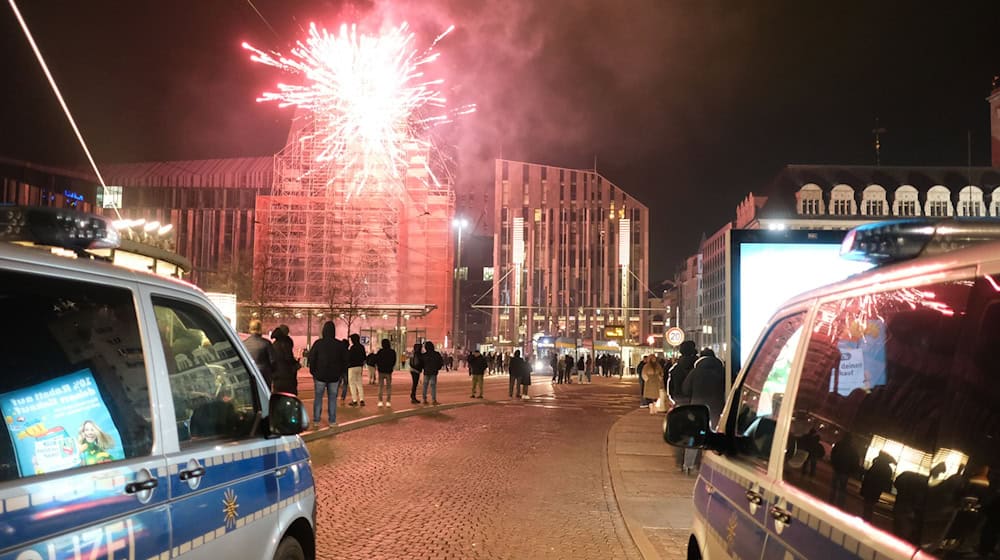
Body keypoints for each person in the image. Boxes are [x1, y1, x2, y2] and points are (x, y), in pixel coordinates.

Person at [681, 348, 726, 474]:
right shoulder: (722, 372)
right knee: (715, 439)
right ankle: (711, 467)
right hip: (717, 409)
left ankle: (688, 465)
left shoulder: (695, 372)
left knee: (694, 437)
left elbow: (685, 389)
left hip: (698, 409)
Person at [307, 321, 347, 429]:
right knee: (333, 398)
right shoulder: (339, 345)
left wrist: (313, 372)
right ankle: (332, 420)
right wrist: (340, 373)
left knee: (318, 398)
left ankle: (316, 420)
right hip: (334, 377)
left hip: (320, 375)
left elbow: (312, 358)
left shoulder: (318, 343)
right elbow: (344, 361)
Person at [861, 452, 896, 521]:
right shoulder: (887, 468)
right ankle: (867, 519)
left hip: (870, 487)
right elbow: (886, 480)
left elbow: (869, 476)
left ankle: (866, 518)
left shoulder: (876, 465)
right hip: (876, 489)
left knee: (867, 504)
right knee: (870, 505)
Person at [242, 319, 276, 389]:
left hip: (249, 374)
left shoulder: (244, 344)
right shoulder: (266, 343)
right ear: (260, 328)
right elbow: (273, 361)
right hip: (264, 375)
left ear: (250, 329)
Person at [829, 432, 860, 507]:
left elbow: (833, 454)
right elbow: (855, 461)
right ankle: (840, 503)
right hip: (845, 471)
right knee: (842, 488)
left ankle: (831, 500)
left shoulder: (839, 445)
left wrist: (833, 464)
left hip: (837, 468)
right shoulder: (852, 449)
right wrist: (852, 470)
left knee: (834, 486)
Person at [270, 325, 300, 395]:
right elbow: (289, 358)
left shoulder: (274, 344)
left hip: (277, 376)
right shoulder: (286, 343)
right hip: (287, 376)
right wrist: (296, 364)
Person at [374, 338, 397, 407]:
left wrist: (379, 366)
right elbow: (394, 361)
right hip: (389, 371)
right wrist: (391, 367)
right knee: (388, 387)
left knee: (380, 386)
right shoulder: (392, 352)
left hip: (381, 371)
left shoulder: (380, 351)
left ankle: (380, 401)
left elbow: (377, 360)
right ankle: (388, 401)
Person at [346, 333, 366, 407]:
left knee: (352, 384)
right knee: (359, 383)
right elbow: (364, 357)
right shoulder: (362, 347)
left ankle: (354, 400)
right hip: (359, 367)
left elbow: (349, 357)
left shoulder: (352, 348)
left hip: (352, 367)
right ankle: (362, 400)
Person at [421, 340, 444, 405]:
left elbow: (422, 363)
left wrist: (424, 368)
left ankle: (424, 399)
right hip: (434, 372)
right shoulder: (436, 354)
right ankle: (433, 399)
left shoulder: (424, 355)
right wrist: (437, 368)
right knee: (433, 386)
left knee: (425, 385)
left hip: (426, 371)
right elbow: (440, 362)